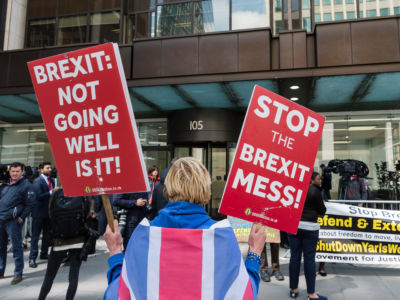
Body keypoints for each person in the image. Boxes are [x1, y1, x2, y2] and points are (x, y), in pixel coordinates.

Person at [103, 157, 266, 299]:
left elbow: (118, 295)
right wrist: (254, 254)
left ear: (167, 190)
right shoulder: (223, 238)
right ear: (206, 191)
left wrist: (115, 252)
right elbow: (245, 294)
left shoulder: (143, 235)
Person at [38, 189, 98, 300]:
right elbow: (87, 216)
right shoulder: (84, 193)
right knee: (73, 277)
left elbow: (51, 214)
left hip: (59, 240)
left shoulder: (56, 193)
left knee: (49, 276)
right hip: (78, 239)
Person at [288, 172, 327, 300]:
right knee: (309, 259)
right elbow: (322, 211)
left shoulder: (293, 189)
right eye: (318, 178)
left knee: (294, 258)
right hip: (310, 228)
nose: (320, 180)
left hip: (293, 226)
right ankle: (311, 294)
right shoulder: (314, 191)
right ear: (310, 180)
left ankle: (293, 290)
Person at [0, 162, 35, 285]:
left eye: (17, 171)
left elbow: (30, 203)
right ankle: (1, 271)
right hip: (1, 219)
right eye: (12, 171)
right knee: (0, 247)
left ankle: (18, 273)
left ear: (22, 172)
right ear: (10, 172)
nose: (14, 173)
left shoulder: (26, 185)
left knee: (16, 247)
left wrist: (21, 217)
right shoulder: (4, 184)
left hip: (13, 222)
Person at [29, 162, 58, 268]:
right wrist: (52, 192)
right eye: (47, 168)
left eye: (50, 167)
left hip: (48, 212)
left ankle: (44, 253)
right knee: (35, 236)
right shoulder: (37, 181)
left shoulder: (51, 181)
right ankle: (32, 258)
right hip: (38, 213)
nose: (50, 169)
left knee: (47, 235)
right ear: (41, 170)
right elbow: (39, 196)